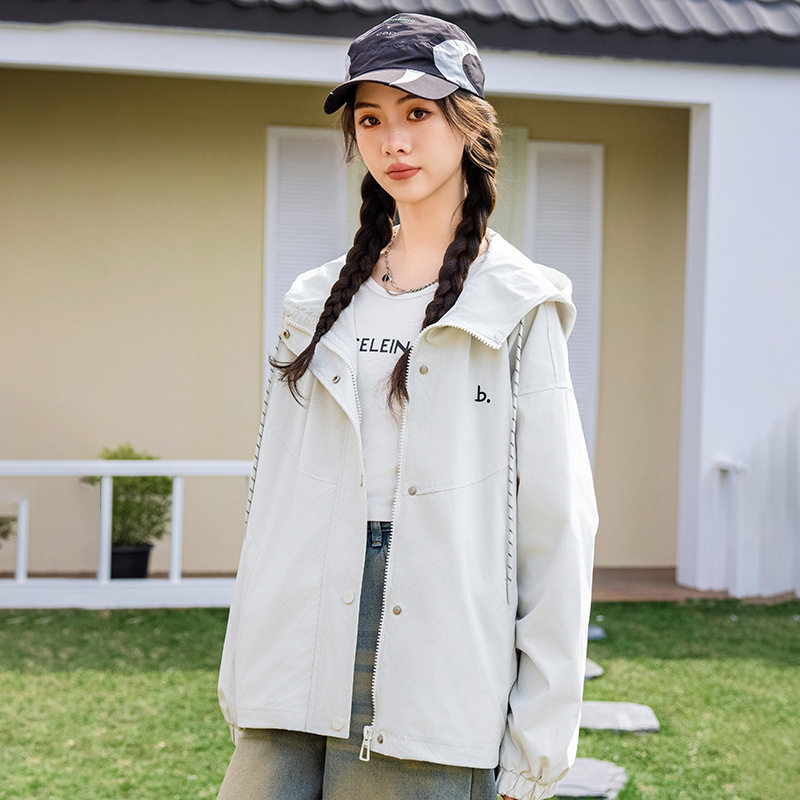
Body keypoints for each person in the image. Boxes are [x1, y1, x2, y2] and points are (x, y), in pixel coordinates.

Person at [216, 12, 598, 800]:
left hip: (437, 650)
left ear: (469, 124)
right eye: (370, 119)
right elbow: (271, 497)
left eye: (418, 113)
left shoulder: (518, 305)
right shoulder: (314, 299)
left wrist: (537, 739)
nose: (393, 140)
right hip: (298, 637)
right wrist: (245, 663)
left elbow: (558, 528)